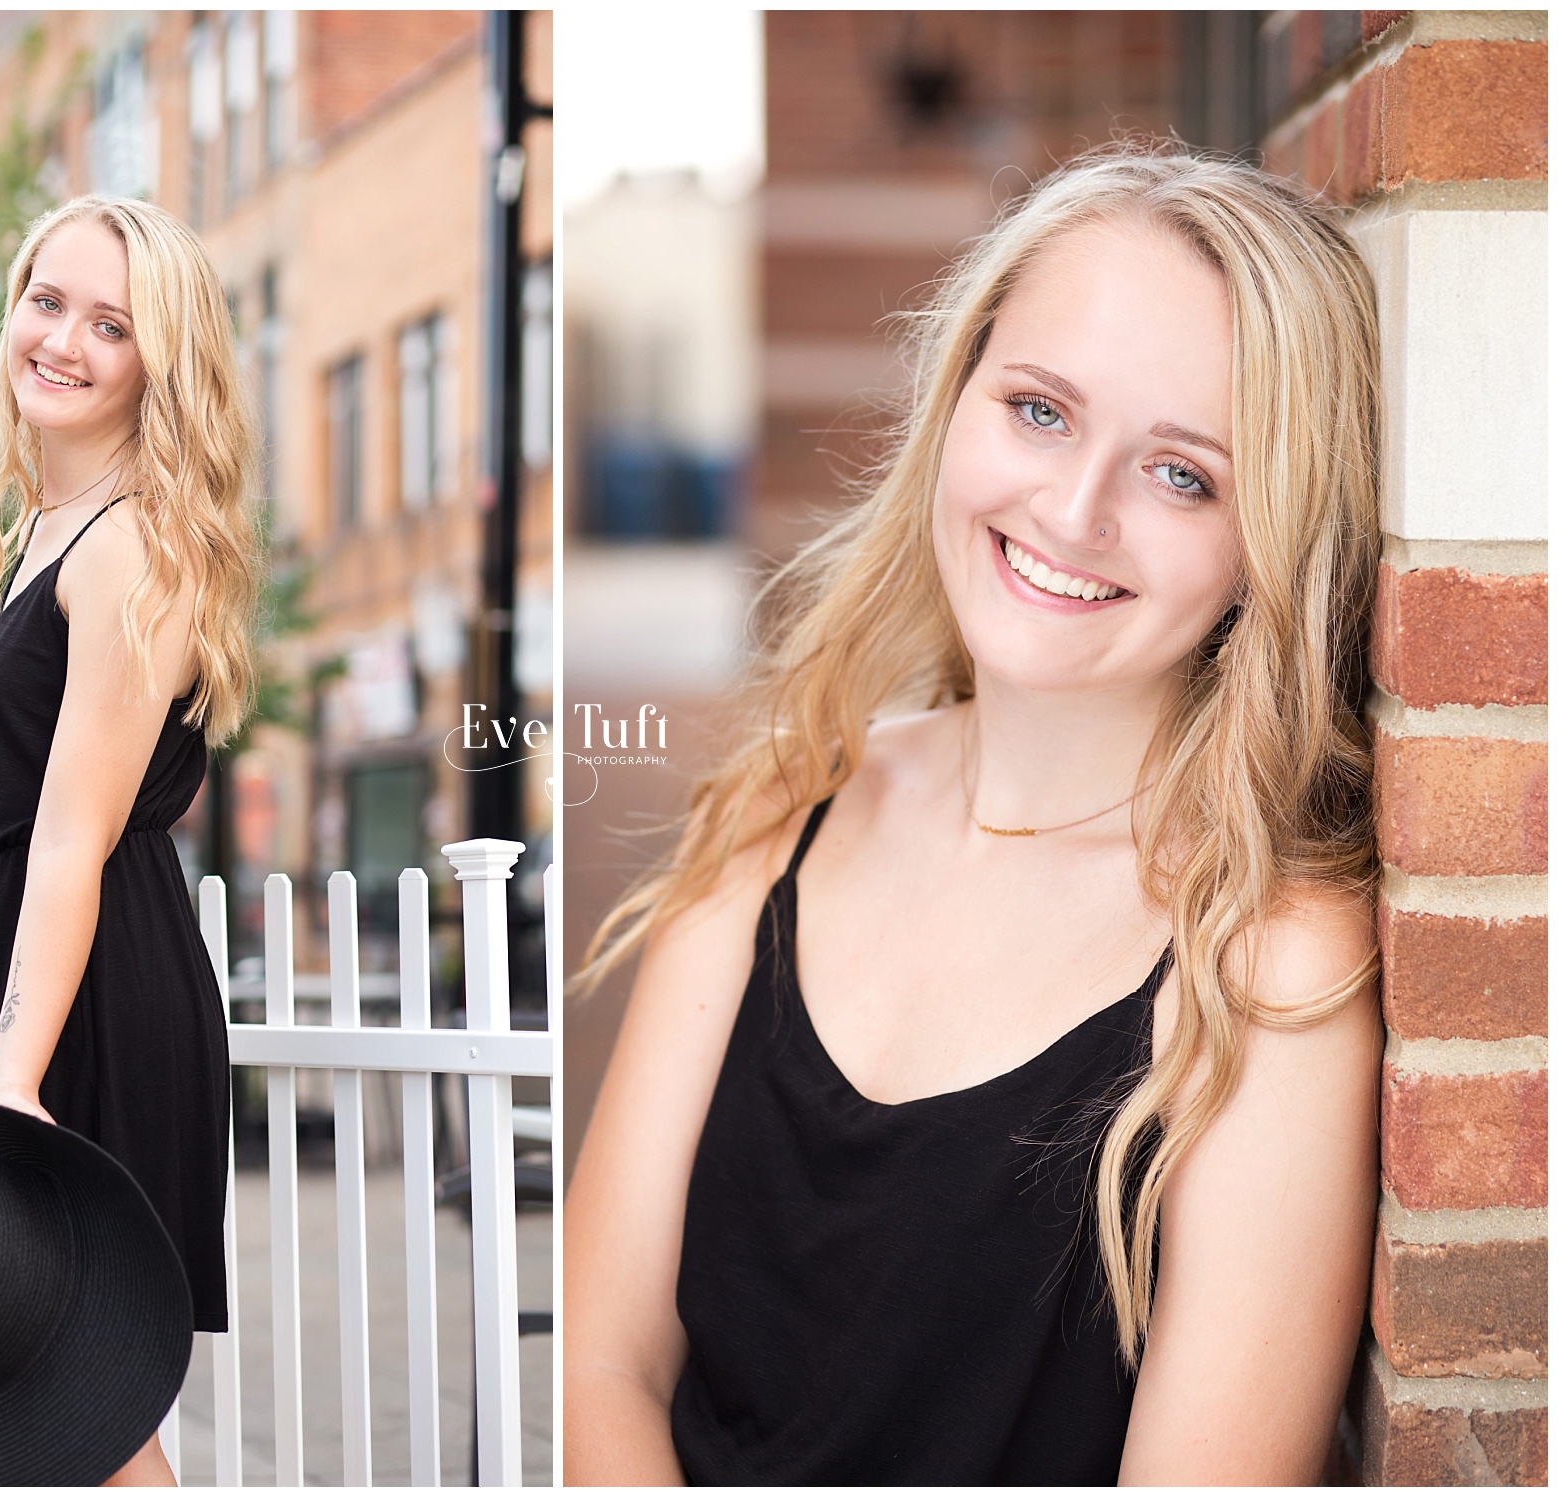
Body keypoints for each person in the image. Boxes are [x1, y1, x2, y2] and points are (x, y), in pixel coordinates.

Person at [564, 148, 1384, 1485]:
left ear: (1271, 546)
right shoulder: (785, 802)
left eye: (1184, 475)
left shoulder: (1266, 958)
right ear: (956, 399)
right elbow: (599, 1362)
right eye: (1040, 410)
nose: (1074, 510)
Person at [0, 195, 260, 1487]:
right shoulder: (45, 529)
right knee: (30, 1418)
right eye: (48, 300)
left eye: (112, 325)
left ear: (158, 364)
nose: (63, 340)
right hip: (34, 981)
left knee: (88, 1421)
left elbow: (70, 841)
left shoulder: (129, 547)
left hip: (86, 1010)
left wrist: (12, 1085)